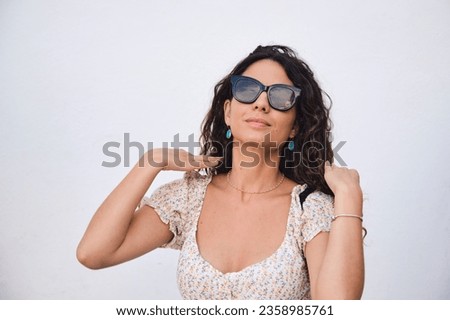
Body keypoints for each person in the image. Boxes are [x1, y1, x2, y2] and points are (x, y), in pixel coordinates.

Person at [77, 45, 365, 299]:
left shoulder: (309, 209)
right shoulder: (187, 198)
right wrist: (149, 163)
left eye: (281, 96)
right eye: (247, 89)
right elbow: (94, 253)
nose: (261, 103)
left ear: (295, 127)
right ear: (228, 112)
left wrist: (349, 197)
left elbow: (336, 305)